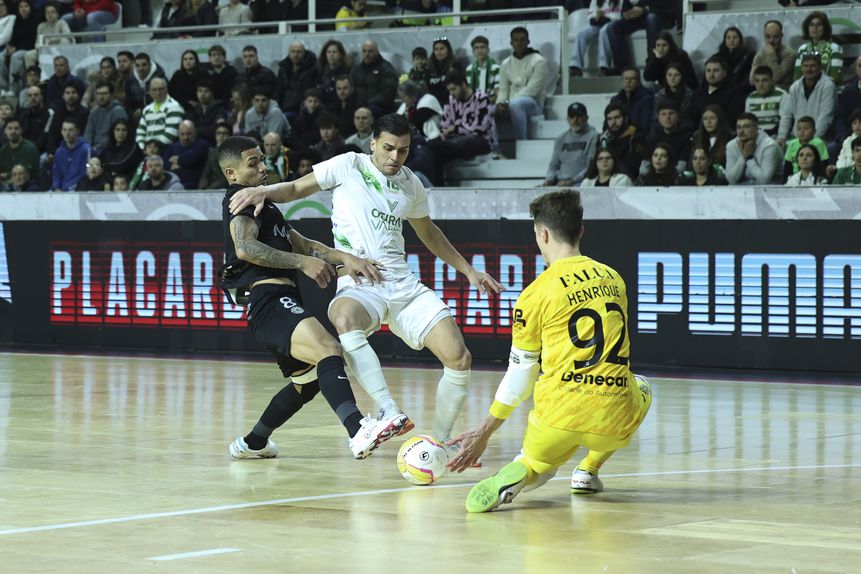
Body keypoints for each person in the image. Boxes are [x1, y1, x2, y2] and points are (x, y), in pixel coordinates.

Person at [228, 113, 505, 445]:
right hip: (361, 283)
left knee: (459, 357)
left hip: (403, 285)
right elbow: (296, 188)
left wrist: (468, 270)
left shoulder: (411, 183)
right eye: (388, 148)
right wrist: (263, 192)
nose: (394, 157)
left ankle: (441, 444)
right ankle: (387, 409)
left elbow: (428, 232)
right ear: (372, 143)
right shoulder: (349, 165)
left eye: (403, 150)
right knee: (342, 315)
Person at [446, 190, 653, 512]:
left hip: (559, 416)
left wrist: (486, 431)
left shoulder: (535, 294)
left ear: (542, 233)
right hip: (614, 417)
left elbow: (521, 375)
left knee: (538, 465)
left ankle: (524, 471)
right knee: (642, 385)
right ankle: (588, 470)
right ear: (580, 230)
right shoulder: (615, 278)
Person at [218, 135, 405, 460]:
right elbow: (245, 248)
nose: (263, 167)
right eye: (253, 164)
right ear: (232, 174)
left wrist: (349, 259)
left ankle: (253, 442)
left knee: (307, 382)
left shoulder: (266, 205)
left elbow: (305, 244)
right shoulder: (240, 198)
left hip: (276, 298)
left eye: (263, 159)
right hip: (266, 299)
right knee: (330, 350)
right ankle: (358, 430)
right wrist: (302, 263)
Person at [429, 68, 495, 183]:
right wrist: (450, 132)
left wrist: (456, 128)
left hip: (481, 141)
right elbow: (445, 125)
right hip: (455, 141)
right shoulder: (451, 100)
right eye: (449, 90)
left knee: (461, 143)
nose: (451, 93)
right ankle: (438, 187)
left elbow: (480, 127)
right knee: (432, 148)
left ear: (464, 85)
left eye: (454, 89)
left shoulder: (481, 98)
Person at [495, 27, 547, 141]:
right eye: (516, 40)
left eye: (522, 40)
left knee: (515, 104)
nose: (519, 43)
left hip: (535, 103)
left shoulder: (539, 61)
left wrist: (508, 103)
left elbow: (533, 90)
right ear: (511, 43)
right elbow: (503, 90)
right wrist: (500, 103)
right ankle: (495, 147)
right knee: (492, 109)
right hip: (512, 102)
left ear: (528, 42)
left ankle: (521, 143)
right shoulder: (505, 63)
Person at [777, 53, 836, 150]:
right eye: (805, 66)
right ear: (801, 68)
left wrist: (814, 140)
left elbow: (826, 115)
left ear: (820, 67)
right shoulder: (794, 87)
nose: (809, 69)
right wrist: (781, 137)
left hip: (821, 137)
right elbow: (786, 115)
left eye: (812, 66)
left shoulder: (828, 86)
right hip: (797, 137)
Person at [604, 0, 677, 73]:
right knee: (612, 27)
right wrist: (626, 13)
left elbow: (667, 7)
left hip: (660, 17)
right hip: (638, 19)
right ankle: (623, 67)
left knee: (651, 18)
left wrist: (644, 10)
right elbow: (625, 7)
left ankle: (653, 62)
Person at [542, 102, 597, 186]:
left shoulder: (594, 136)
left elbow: (590, 167)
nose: (575, 120)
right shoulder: (560, 138)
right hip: (560, 183)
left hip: (582, 182)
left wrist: (573, 181)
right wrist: (549, 179)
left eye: (579, 116)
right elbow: (553, 165)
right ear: (567, 119)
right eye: (572, 116)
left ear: (586, 118)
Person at [725, 113, 782, 185]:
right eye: (739, 127)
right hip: (741, 192)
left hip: (769, 192)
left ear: (756, 128)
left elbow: (764, 180)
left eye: (746, 127)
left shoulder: (770, 146)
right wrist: (743, 157)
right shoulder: (731, 146)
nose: (741, 131)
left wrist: (749, 158)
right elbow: (731, 180)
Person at [569, 0, 621, 78]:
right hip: (597, 23)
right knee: (581, 33)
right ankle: (575, 66)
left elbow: (618, 16)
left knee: (603, 31)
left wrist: (604, 16)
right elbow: (590, 16)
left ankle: (604, 67)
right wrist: (596, 17)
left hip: (612, 24)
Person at [351, 40, 399, 117]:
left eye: (370, 51)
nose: (367, 54)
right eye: (364, 51)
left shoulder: (386, 69)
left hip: (379, 107)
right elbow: (351, 89)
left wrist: (368, 103)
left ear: (377, 51)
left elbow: (388, 93)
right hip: (359, 105)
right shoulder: (357, 70)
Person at [793, 11, 843, 84]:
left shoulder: (834, 48)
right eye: (811, 25)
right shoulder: (802, 49)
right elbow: (797, 77)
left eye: (819, 24)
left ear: (825, 28)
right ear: (807, 28)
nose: (815, 28)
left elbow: (835, 77)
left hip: (827, 89)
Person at [135, 78, 185, 150]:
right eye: (154, 90)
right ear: (150, 92)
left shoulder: (174, 107)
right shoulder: (147, 109)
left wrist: (153, 149)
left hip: (166, 150)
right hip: (148, 151)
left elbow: (171, 134)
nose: (158, 92)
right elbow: (140, 132)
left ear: (166, 90)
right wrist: (143, 148)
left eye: (161, 89)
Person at [598, 102, 644, 177]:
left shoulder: (636, 137)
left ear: (626, 119)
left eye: (617, 118)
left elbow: (632, 168)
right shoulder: (604, 139)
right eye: (609, 119)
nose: (613, 122)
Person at [277, 41, 320, 118]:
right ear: (289, 53)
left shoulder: (312, 70)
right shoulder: (283, 69)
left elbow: (305, 93)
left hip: (300, 109)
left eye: (299, 52)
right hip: (283, 108)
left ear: (304, 53)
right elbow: (278, 90)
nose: (295, 55)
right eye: (293, 51)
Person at [749, 20, 796, 90]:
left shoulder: (790, 54)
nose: (771, 40)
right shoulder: (760, 55)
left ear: (781, 36)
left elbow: (776, 77)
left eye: (775, 37)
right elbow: (752, 81)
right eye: (768, 37)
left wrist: (771, 55)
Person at [84, 80, 128, 153]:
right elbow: (88, 134)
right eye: (98, 94)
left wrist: (97, 148)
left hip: (111, 150)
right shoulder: (94, 112)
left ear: (111, 95)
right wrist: (88, 149)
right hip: (93, 150)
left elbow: (114, 137)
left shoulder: (118, 111)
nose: (101, 97)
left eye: (104, 94)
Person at [163, 120, 209, 189]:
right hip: (172, 185)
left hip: (192, 185)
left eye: (189, 134)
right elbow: (165, 164)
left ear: (195, 132)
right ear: (178, 134)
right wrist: (183, 162)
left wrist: (177, 160)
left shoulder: (202, 144)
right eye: (182, 134)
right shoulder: (173, 147)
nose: (185, 137)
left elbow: (191, 159)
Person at [745, 66, 787, 137]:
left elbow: (785, 120)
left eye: (764, 80)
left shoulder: (782, 95)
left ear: (772, 81)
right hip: (756, 138)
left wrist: (781, 137)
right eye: (757, 81)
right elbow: (748, 121)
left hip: (775, 137)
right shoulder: (751, 97)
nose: (760, 84)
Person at [610, 66, 654, 133]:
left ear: (638, 81)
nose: (628, 82)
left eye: (632, 79)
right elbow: (608, 123)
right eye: (626, 78)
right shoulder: (615, 100)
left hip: (637, 138)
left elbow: (645, 126)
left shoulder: (647, 99)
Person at [651, 62, 692, 133]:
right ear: (665, 76)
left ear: (682, 76)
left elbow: (690, 119)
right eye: (669, 75)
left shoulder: (690, 95)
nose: (672, 78)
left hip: (685, 130)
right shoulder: (659, 96)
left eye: (676, 75)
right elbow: (655, 119)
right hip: (663, 131)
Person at [52, 119, 91, 192]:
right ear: (61, 132)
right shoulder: (59, 152)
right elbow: (56, 174)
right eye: (65, 130)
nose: (67, 133)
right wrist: (56, 187)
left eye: (71, 130)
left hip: (78, 189)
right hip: (62, 189)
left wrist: (67, 187)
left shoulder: (86, 149)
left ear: (77, 131)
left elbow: (84, 173)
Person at [0, 117, 39, 183]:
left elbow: (25, 174)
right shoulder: (3, 150)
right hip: (6, 184)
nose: (13, 131)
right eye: (10, 128)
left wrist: (6, 175)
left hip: (27, 185)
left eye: (16, 128)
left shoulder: (30, 148)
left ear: (21, 130)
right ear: (5, 131)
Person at [715, 26, 754, 90]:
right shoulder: (718, 57)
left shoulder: (748, 56)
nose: (731, 40)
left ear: (740, 40)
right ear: (725, 40)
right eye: (728, 38)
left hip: (741, 89)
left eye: (735, 37)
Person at [465, 36, 500, 103]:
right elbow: (469, 90)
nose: (479, 50)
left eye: (482, 47)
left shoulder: (496, 68)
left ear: (488, 50)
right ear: (473, 51)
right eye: (476, 48)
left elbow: (497, 91)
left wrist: (483, 104)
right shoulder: (469, 69)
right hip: (473, 103)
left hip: (491, 102)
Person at [427, 37, 460, 108]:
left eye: (442, 49)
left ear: (448, 50)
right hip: (432, 104)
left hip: (449, 104)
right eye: (436, 49)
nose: (439, 52)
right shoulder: (429, 67)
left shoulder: (455, 66)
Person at [318, 40, 351, 107]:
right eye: (329, 52)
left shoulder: (346, 71)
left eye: (334, 52)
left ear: (340, 55)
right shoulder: (321, 70)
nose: (331, 55)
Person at [199, 122, 231, 188]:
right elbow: (206, 173)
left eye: (224, 133)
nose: (221, 136)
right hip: (212, 188)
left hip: (227, 187)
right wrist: (201, 189)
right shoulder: (212, 152)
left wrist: (210, 188)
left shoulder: (234, 153)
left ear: (230, 136)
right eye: (218, 133)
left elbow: (227, 177)